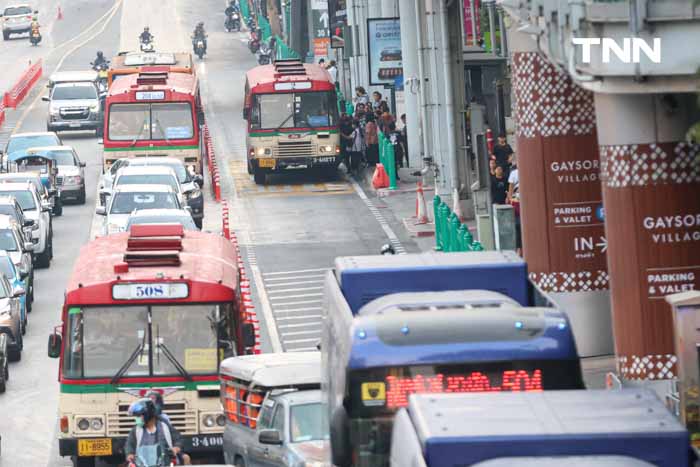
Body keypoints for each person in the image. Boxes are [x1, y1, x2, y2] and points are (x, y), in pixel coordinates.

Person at [125, 398, 183, 466]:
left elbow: (178, 439)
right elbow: (129, 444)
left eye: (139, 416)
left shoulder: (165, 426)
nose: (137, 419)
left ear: (147, 414)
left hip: (165, 463)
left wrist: (176, 448)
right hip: (142, 464)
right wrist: (130, 454)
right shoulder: (136, 430)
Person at [145, 391, 191, 465]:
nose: (152, 402)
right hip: (146, 453)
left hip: (165, 451)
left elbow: (176, 437)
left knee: (185, 458)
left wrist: (176, 447)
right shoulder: (141, 421)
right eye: (149, 399)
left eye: (153, 399)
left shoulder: (164, 419)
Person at [506, 154, 521, 255]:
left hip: (516, 203)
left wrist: (509, 198)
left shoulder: (513, 173)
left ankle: (519, 249)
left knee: (517, 226)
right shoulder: (528, 171)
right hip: (525, 203)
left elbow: (510, 189)